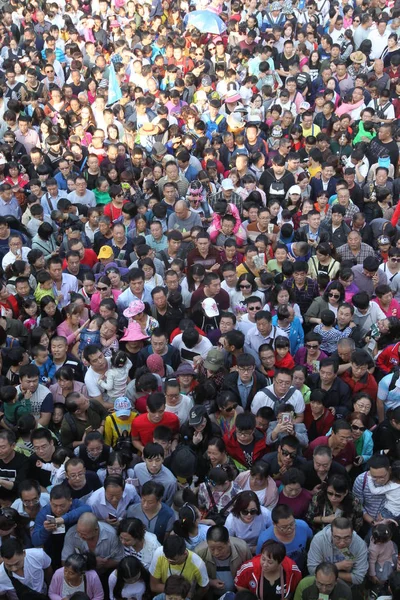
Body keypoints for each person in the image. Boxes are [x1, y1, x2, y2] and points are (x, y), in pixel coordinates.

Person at [32, 484, 92, 569]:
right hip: (54, 551)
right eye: (55, 505)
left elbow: (88, 509)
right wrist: (45, 530)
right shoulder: (44, 513)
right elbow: (35, 541)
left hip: (77, 548)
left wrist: (63, 519)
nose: (58, 510)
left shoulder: (76, 504)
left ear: (70, 501)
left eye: (62, 506)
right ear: (50, 502)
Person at [307, 517, 368, 589]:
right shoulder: (319, 540)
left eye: (347, 538)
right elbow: (312, 569)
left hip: (346, 586)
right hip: (322, 584)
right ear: (331, 533)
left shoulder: (360, 544)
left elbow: (358, 578)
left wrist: (329, 573)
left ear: (352, 534)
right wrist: (337, 566)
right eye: (337, 538)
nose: (342, 543)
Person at [195, 525, 252, 597]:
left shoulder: (243, 549)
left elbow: (251, 572)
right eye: (212, 549)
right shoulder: (199, 552)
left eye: (220, 548)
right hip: (211, 595)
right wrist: (210, 582)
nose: (216, 553)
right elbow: (195, 577)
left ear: (228, 542)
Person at [62, 512, 125, 577]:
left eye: (84, 534)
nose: (79, 535)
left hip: (106, 573)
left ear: (96, 530)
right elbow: (65, 561)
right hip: (79, 574)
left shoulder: (112, 535)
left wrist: (104, 564)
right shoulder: (71, 534)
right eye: (78, 532)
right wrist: (91, 564)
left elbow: (119, 559)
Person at [234, 539, 302, 597]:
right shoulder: (248, 569)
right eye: (263, 559)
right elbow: (239, 584)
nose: (265, 564)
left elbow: (296, 587)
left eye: (270, 562)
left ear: (280, 562)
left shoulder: (292, 570)